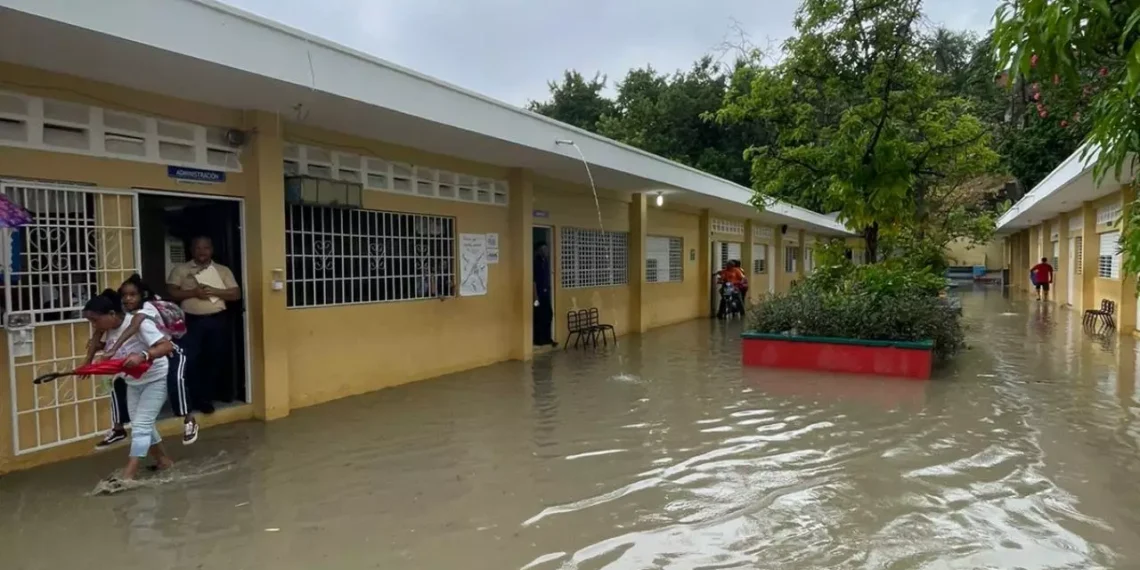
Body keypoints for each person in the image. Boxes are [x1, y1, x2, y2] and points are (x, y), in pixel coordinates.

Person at [83, 289, 176, 482]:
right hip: (133, 382)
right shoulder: (106, 330)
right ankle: (163, 460)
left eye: (95, 320)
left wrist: (143, 355)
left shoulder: (138, 323)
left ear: (111, 314)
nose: (94, 326)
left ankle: (128, 475)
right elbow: (96, 344)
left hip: (156, 379)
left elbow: (166, 346)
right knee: (141, 425)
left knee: (141, 426)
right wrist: (88, 363)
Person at [167, 236, 241, 415]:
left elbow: (236, 294)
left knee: (213, 359)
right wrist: (194, 292)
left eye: (206, 248)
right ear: (191, 250)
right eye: (198, 248)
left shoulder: (222, 270)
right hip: (190, 321)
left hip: (216, 320)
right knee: (190, 361)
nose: (202, 251)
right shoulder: (181, 269)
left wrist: (214, 291)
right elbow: (171, 293)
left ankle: (206, 398)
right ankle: (190, 398)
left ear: (211, 250)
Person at [533, 241, 555, 347]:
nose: (546, 251)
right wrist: (535, 296)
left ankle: (547, 338)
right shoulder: (535, 262)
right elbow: (534, 281)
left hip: (546, 294)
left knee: (548, 315)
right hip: (539, 295)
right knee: (539, 317)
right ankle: (539, 339)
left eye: (546, 249)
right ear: (539, 251)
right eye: (544, 249)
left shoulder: (545, 261)